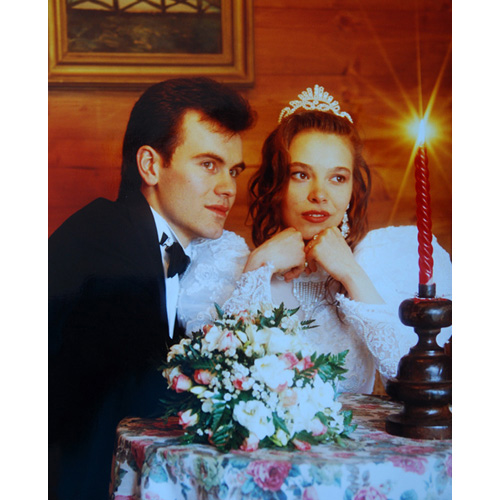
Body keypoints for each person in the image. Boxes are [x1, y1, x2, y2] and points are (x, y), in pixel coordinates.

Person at [48, 77, 254, 500]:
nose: (228, 188)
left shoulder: (159, 244)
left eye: (233, 170)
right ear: (150, 166)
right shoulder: (103, 241)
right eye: (208, 164)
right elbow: (143, 399)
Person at [178, 84, 452, 394]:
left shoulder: (377, 267)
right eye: (301, 174)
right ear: (275, 184)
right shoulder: (228, 268)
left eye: (337, 178)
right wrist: (257, 269)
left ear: (352, 192)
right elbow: (215, 385)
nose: (319, 194)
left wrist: (351, 273)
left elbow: (413, 383)